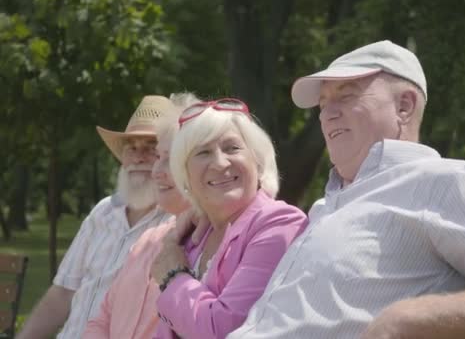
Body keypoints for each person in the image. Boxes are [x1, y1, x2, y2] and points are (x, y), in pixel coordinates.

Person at [227, 40, 465, 339]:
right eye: (323, 104)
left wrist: (410, 317)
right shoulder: (326, 205)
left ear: (404, 105)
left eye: (345, 95)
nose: (326, 114)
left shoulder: (441, 182)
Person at [149, 94, 308, 339]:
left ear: (257, 161)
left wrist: (173, 276)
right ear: (186, 175)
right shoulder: (193, 238)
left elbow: (224, 330)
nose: (220, 163)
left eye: (232, 148)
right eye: (203, 153)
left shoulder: (280, 224)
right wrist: (171, 243)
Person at [17, 96, 174, 339]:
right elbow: (62, 293)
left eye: (151, 148)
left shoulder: (177, 222)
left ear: (170, 158)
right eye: (131, 147)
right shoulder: (103, 211)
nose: (138, 157)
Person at [83, 93, 195, 338]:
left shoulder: (219, 238)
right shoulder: (147, 240)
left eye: (154, 150)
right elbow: (102, 318)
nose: (153, 166)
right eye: (131, 148)